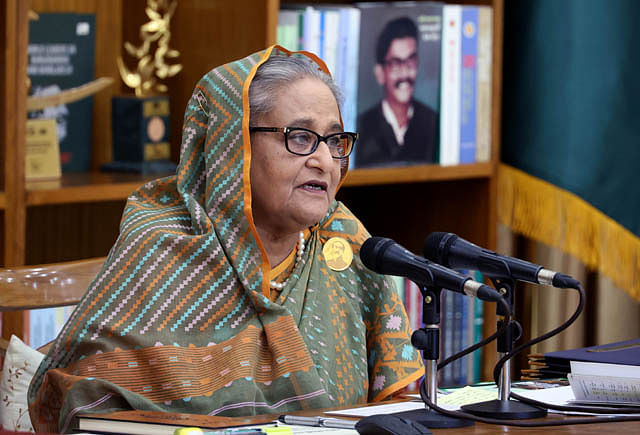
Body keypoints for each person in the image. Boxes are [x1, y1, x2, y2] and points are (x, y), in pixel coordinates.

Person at [28, 46, 423, 433]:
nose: (324, 160)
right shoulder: (164, 244)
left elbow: (398, 398)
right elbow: (84, 399)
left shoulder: (344, 238)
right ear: (232, 145)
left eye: (335, 141)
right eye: (300, 137)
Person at [356, 16, 438, 168]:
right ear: (380, 73)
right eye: (395, 63)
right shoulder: (360, 128)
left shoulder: (434, 122)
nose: (405, 73)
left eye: (410, 61)